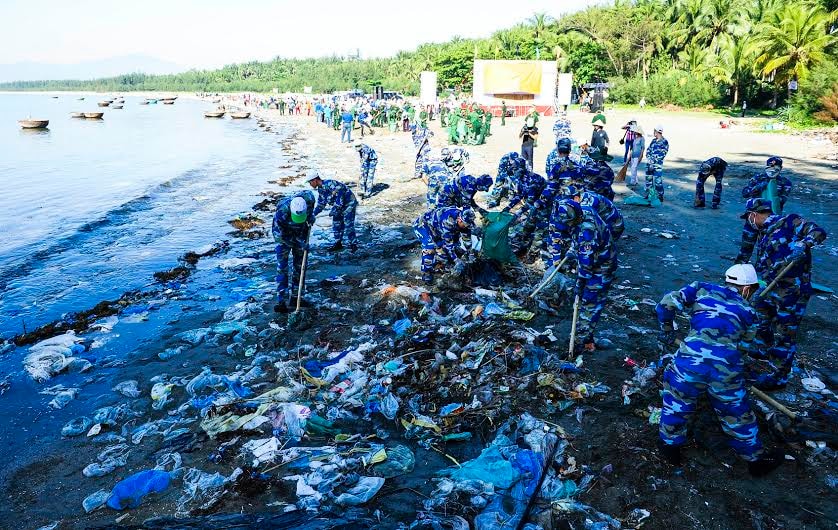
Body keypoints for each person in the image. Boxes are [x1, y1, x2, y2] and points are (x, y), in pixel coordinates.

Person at [655, 263, 784, 476]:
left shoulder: (700, 288)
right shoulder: (750, 313)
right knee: (737, 412)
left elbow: (665, 305)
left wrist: (667, 330)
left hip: (688, 363)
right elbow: (742, 350)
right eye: (752, 290)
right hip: (725, 371)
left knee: (677, 402)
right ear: (747, 288)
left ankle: (670, 448)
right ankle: (755, 460)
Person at [735, 199, 827, 390]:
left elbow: (818, 232)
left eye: (749, 217)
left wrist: (803, 245)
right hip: (770, 285)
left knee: (784, 332)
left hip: (792, 290)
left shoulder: (789, 221)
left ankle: (779, 377)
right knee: (759, 314)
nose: (749, 222)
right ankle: (761, 348)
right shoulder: (764, 233)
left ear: (756, 213)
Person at [549, 198, 617, 351]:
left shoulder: (587, 231)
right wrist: (573, 249)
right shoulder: (580, 210)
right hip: (593, 254)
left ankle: (582, 339)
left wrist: (580, 284)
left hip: (602, 264)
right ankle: (583, 334)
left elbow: (586, 267)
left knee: (590, 301)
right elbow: (573, 234)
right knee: (584, 297)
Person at [271, 191, 316, 313]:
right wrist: (298, 243)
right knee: (282, 268)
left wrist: (311, 217)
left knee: (300, 266)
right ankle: (281, 301)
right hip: (284, 237)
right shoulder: (281, 213)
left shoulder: (309, 199)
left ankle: (296, 298)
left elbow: (311, 212)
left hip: (301, 233)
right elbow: (279, 236)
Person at [413, 207, 478, 284]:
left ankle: (440, 262)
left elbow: (467, 239)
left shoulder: (465, 222)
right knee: (430, 247)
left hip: (437, 228)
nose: (466, 226)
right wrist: (456, 260)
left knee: (452, 243)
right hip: (423, 225)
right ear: (459, 220)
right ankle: (427, 272)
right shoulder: (448, 221)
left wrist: (470, 253)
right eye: (465, 225)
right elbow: (448, 245)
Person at [304, 170, 358, 253]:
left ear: (315, 180)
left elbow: (340, 194)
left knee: (348, 224)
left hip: (349, 204)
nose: (310, 185)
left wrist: (335, 208)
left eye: (310, 182)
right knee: (336, 224)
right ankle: (338, 243)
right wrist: (313, 214)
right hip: (339, 207)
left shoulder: (330, 184)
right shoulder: (321, 190)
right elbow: (321, 205)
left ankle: (353, 245)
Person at [643, 125, 669, 204]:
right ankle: (649, 194)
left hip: (657, 165)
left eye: (654, 131)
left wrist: (653, 162)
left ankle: (660, 196)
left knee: (658, 181)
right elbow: (648, 150)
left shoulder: (664, 142)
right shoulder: (653, 141)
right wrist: (649, 160)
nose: (653, 133)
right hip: (649, 164)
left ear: (658, 132)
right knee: (648, 181)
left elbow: (662, 154)